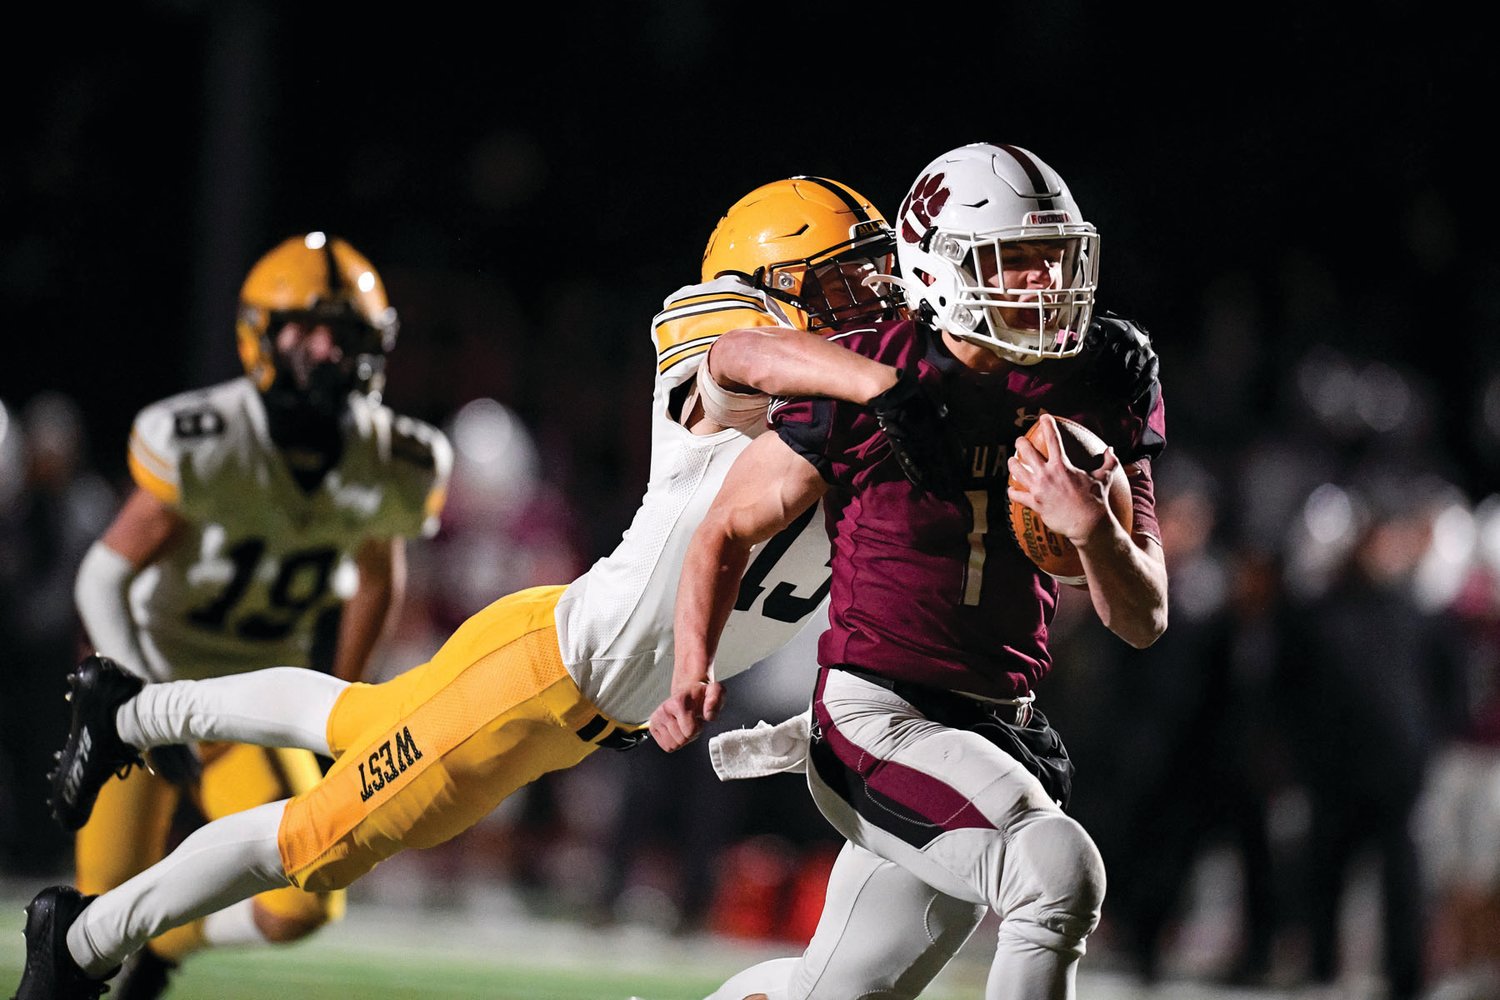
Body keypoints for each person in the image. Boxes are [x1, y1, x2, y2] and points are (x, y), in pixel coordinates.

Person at [10, 176, 957, 1000]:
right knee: (314, 839)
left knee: (352, 717)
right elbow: (744, 358)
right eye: (845, 283)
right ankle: (82, 939)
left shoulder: (867, 417)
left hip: (562, 664)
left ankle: (131, 714)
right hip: (547, 678)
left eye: (879, 279)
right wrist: (885, 383)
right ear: (768, 288)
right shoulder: (743, 342)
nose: (873, 302)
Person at [652, 141, 1169, 1000]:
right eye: (1020, 263)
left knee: (840, 992)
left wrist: (1093, 530)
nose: (1047, 286)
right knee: (1055, 870)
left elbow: (1142, 617)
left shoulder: (1098, 379)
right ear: (941, 269)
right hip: (877, 718)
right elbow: (724, 526)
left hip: (1002, 724)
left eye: (1056, 260)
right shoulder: (873, 369)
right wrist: (690, 667)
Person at [56, 232, 454, 999]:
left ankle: (167, 942)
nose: (326, 350)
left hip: (258, 689)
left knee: (305, 898)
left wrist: (341, 705)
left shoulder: (398, 458)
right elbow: (103, 575)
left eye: (345, 334)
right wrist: (129, 701)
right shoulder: (206, 438)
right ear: (260, 334)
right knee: (94, 916)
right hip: (155, 670)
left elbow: (379, 579)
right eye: (305, 328)